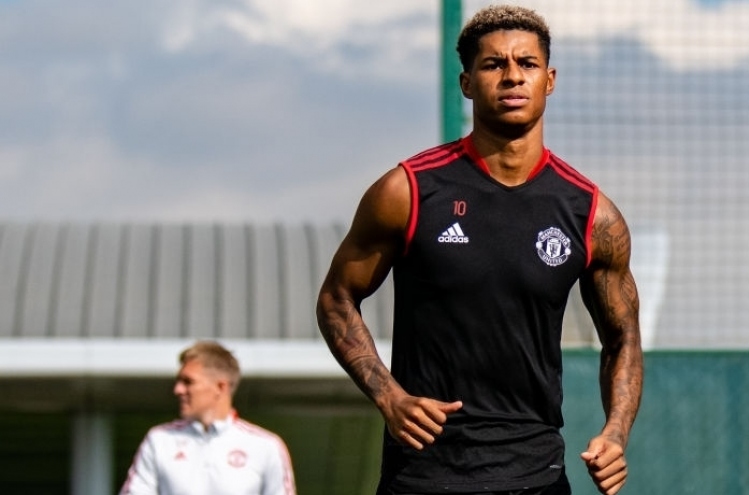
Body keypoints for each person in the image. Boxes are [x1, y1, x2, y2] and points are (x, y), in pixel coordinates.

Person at [316, 5, 643, 495]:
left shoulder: (592, 214)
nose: (513, 76)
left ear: (549, 80)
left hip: (536, 474)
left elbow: (623, 338)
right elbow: (336, 298)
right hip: (423, 476)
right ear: (467, 84)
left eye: (527, 63)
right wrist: (389, 396)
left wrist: (615, 433)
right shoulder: (407, 192)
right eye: (494, 64)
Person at [120, 340, 296, 495]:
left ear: (220, 387)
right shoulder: (159, 440)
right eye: (178, 382)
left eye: (188, 382)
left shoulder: (266, 446)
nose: (178, 390)